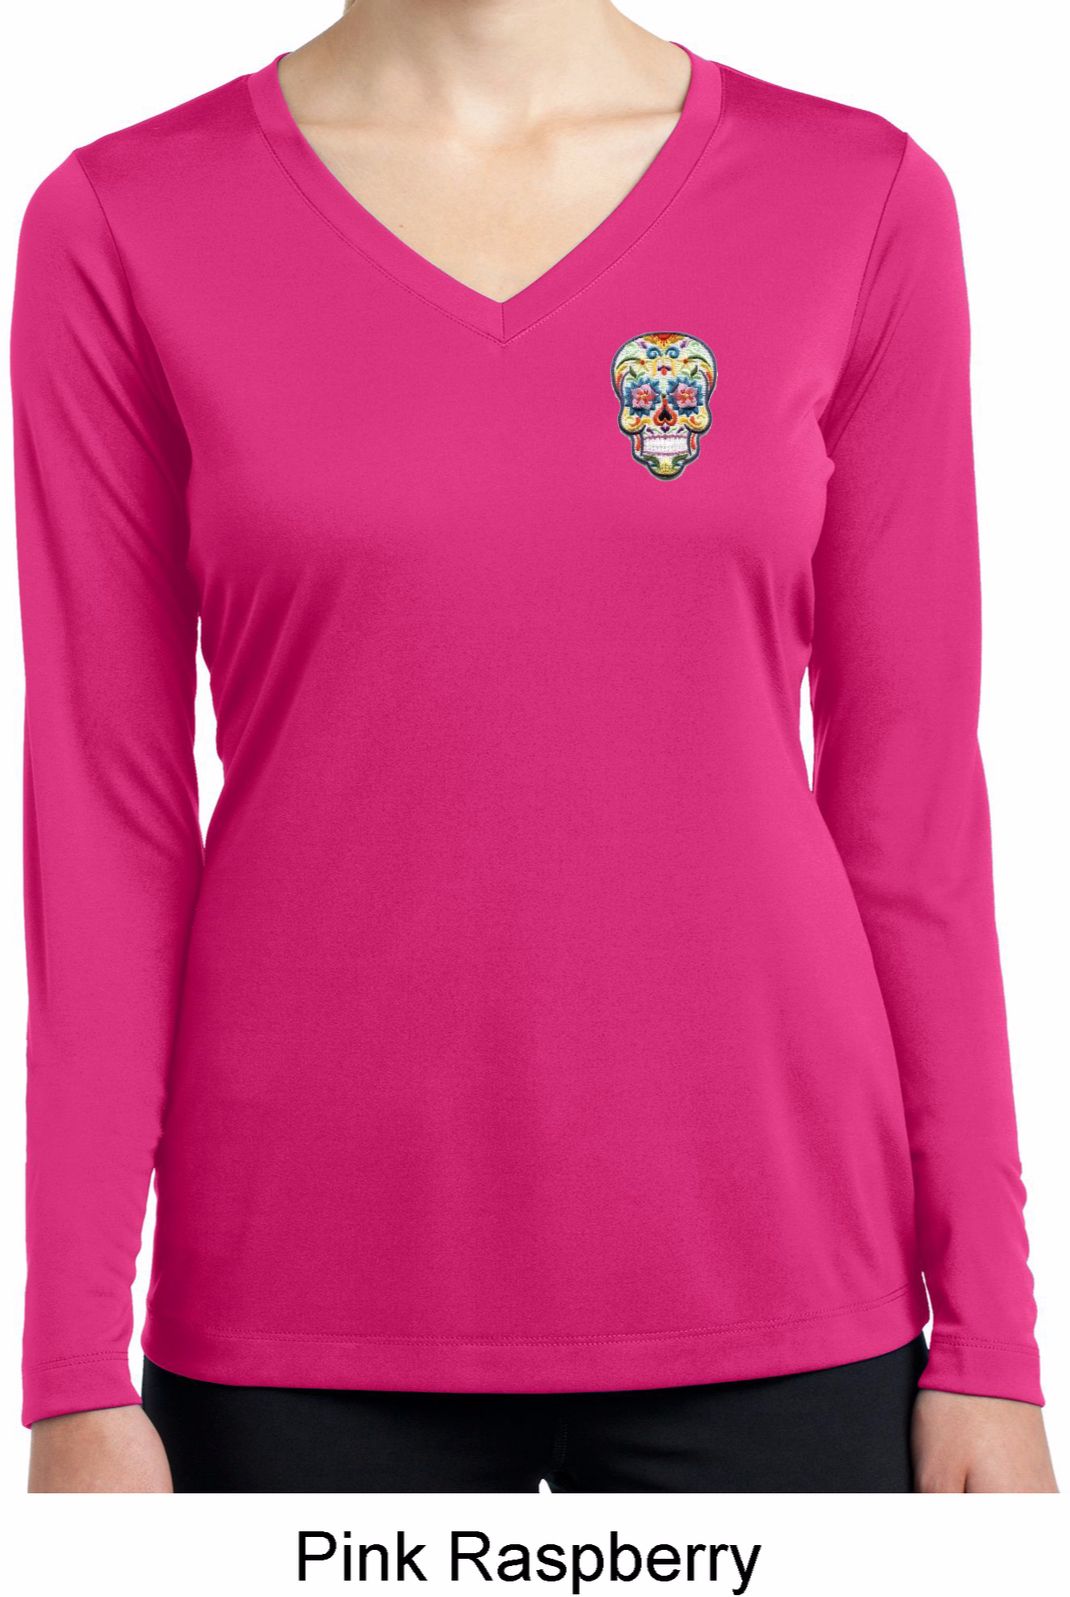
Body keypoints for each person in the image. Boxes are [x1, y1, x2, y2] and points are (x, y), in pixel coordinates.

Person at [12, 0, 1057, 1493]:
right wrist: (72, 1367)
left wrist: (991, 1343)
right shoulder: (125, 224)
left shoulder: (858, 199)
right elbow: (105, 828)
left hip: (781, 1296)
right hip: (298, 1322)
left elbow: (915, 815)